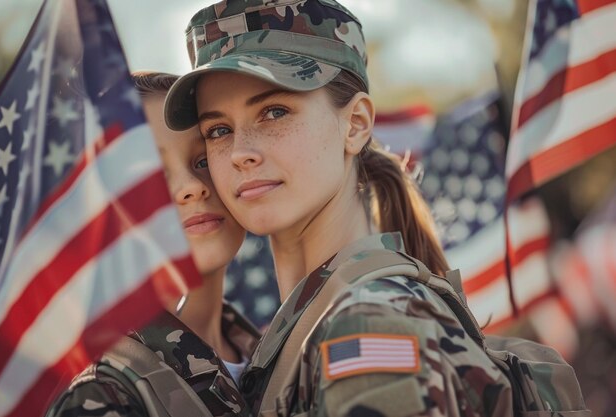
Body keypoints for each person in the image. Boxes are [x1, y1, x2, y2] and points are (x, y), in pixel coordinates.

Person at [164, 1, 589, 417]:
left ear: (355, 125)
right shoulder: (316, 323)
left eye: (275, 111)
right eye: (218, 130)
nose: (240, 153)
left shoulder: (367, 329)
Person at [46, 72, 259, 417]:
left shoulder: (275, 353)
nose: (191, 186)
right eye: (149, 174)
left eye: (203, 160)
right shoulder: (102, 393)